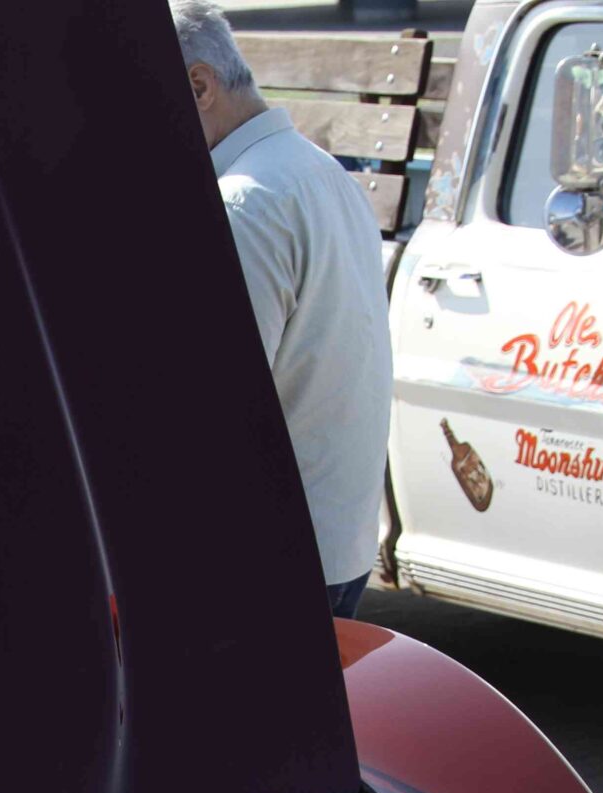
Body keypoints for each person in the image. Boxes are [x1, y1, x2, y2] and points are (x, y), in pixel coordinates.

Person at [170, 0, 394, 618]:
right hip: (337, 543)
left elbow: (214, 413)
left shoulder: (243, 204)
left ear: (199, 86)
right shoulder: (323, 173)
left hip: (266, 563)